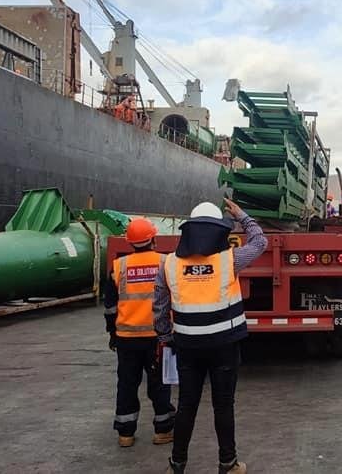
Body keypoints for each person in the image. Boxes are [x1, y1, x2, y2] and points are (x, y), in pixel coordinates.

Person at [154, 198, 268, 474]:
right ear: (219, 231)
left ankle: (177, 464)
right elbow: (260, 242)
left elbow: (159, 307)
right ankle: (228, 463)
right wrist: (242, 216)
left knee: (187, 405)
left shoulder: (169, 264)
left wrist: (165, 336)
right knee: (223, 405)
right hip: (224, 346)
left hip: (187, 346)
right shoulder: (229, 260)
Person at [103, 217, 176, 448]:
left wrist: (112, 334)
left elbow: (110, 307)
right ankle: (163, 431)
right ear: (153, 239)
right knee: (159, 384)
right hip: (157, 337)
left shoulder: (119, 266)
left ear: (130, 242)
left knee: (127, 384)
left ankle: (125, 434)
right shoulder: (165, 262)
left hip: (126, 338)